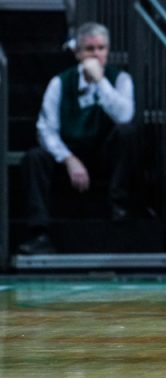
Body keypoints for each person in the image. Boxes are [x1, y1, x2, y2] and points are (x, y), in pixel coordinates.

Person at [20, 23, 136, 255]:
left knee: (128, 133)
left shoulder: (120, 79)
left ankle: (119, 207)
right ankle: (39, 233)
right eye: (89, 49)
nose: (96, 54)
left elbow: (125, 116)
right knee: (34, 157)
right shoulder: (60, 82)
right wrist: (69, 159)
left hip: (104, 153)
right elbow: (45, 129)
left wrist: (100, 82)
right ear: (78, 53)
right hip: (70, 152)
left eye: (101, 48)